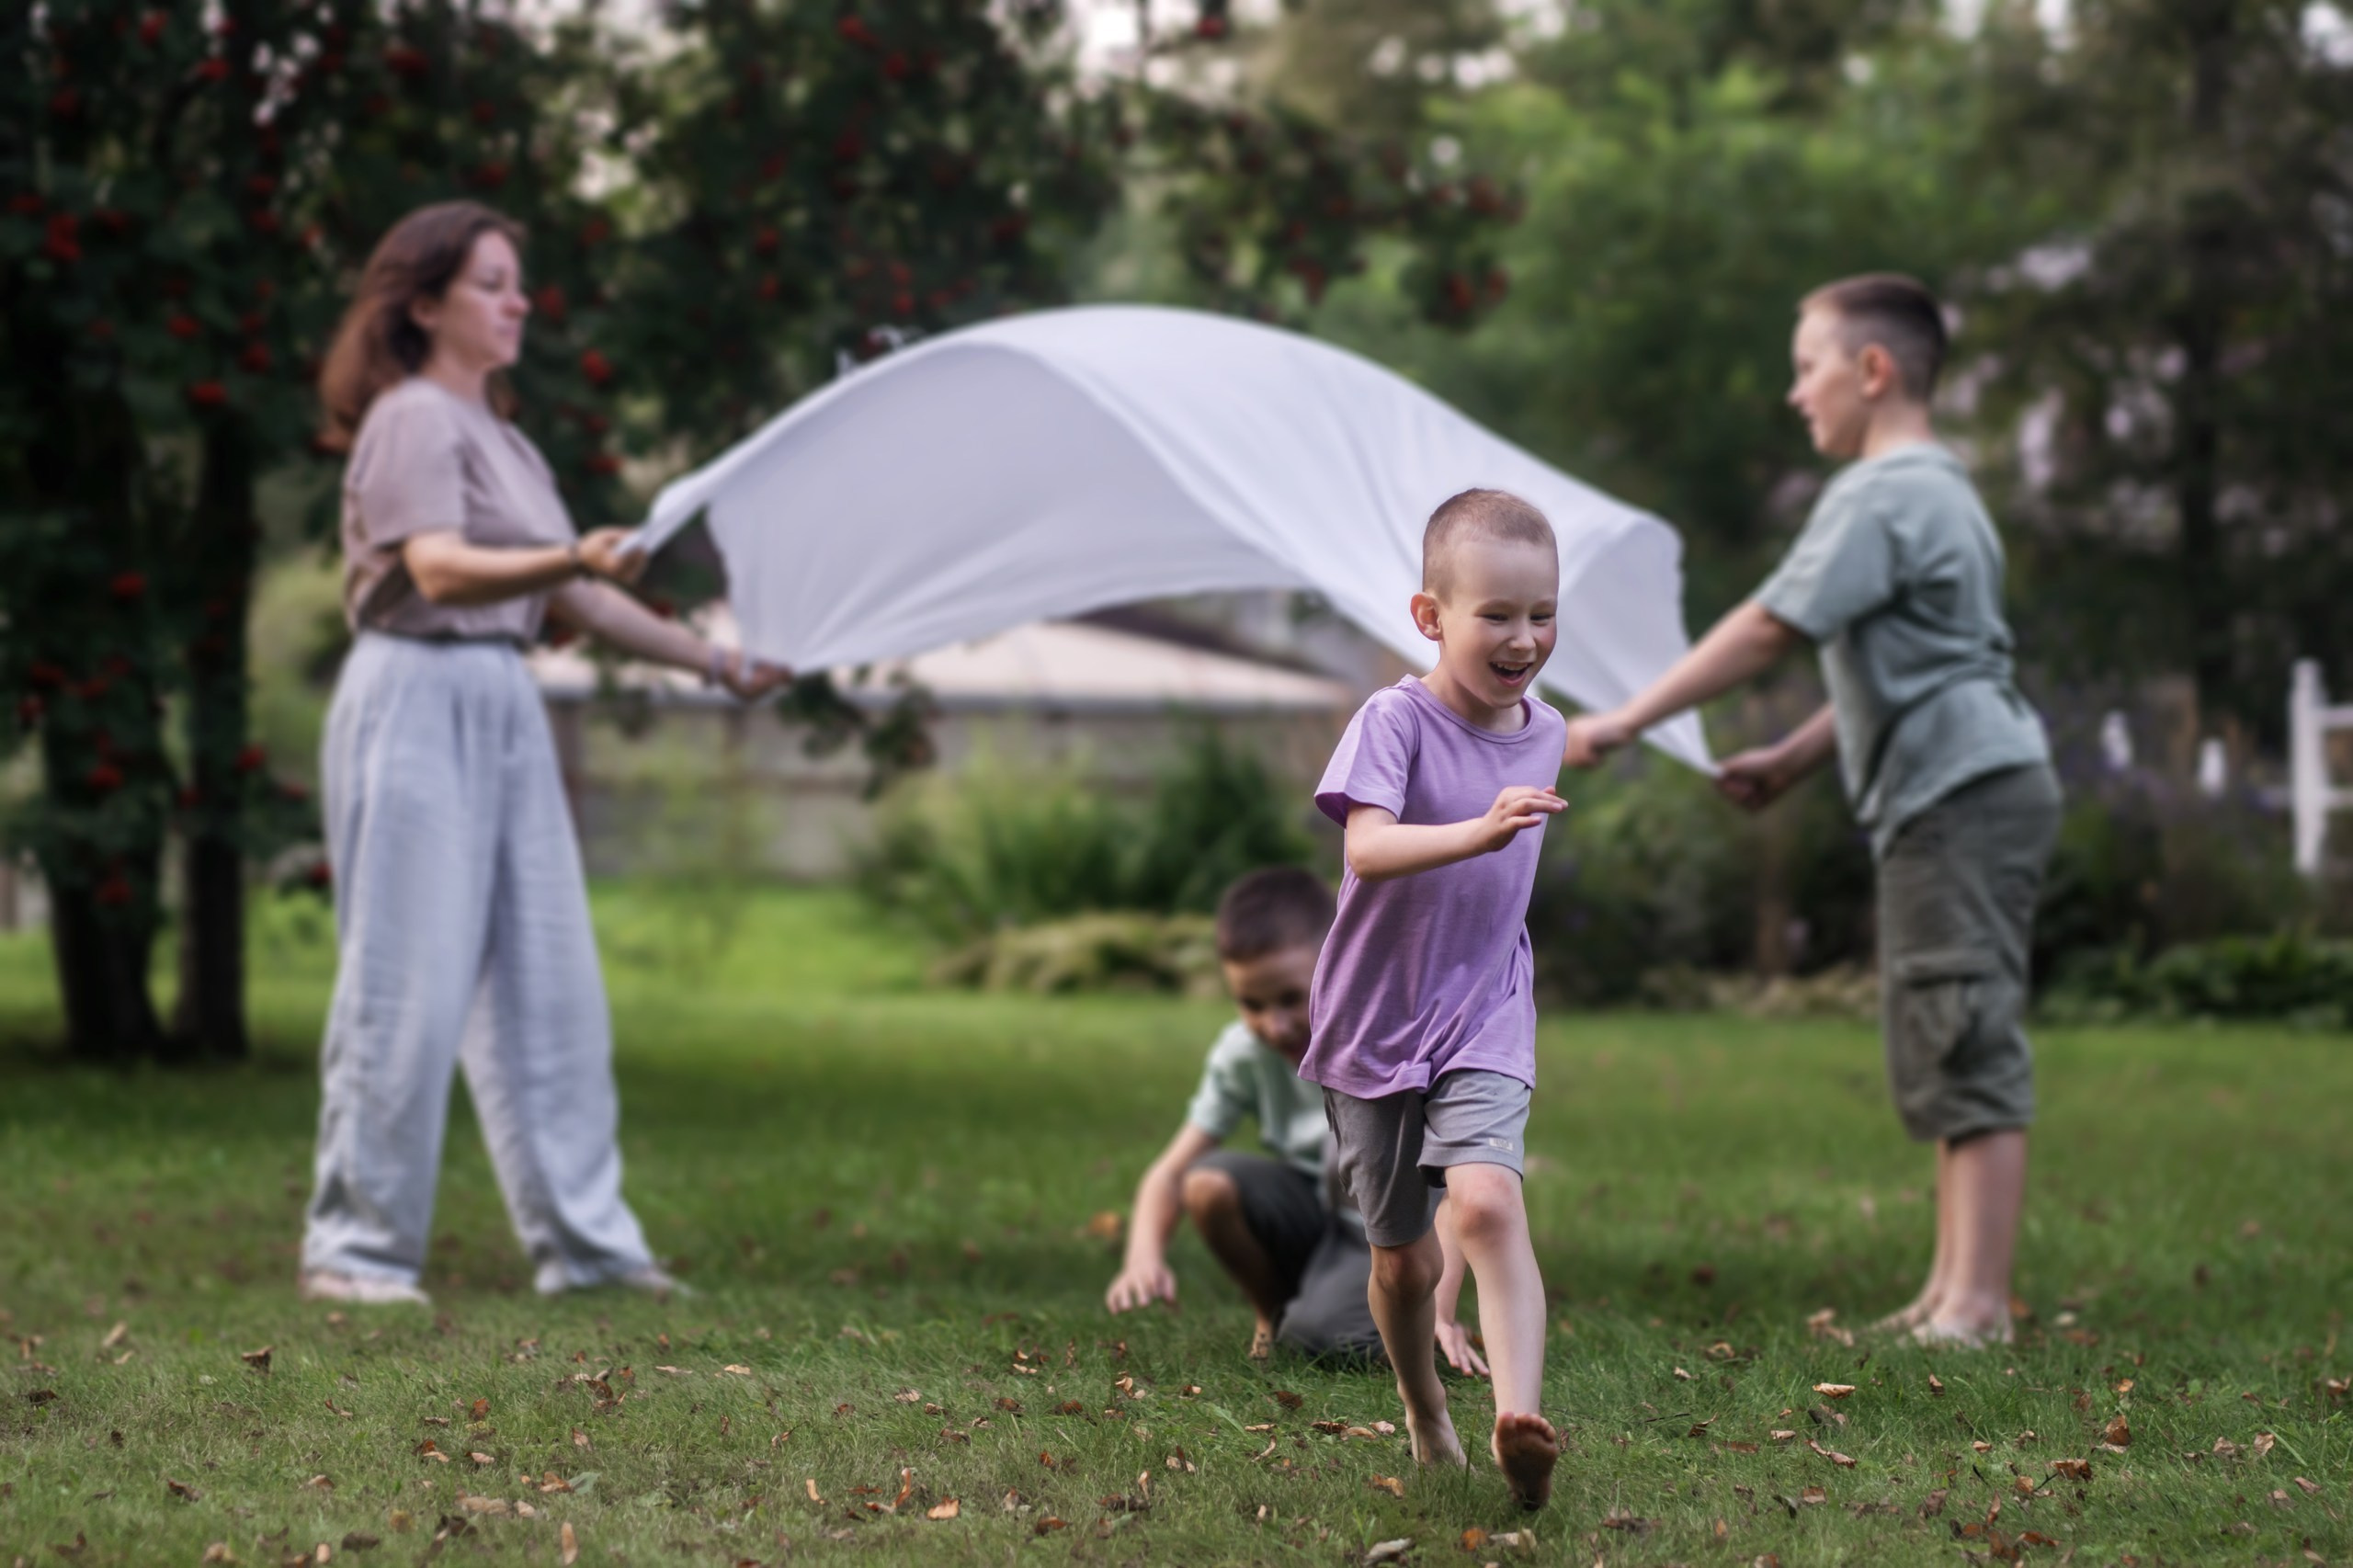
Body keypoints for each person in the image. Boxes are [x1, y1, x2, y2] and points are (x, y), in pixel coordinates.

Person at [297, 200, 790, 1306]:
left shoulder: (505, 439)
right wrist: (571, 551)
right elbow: (437, 570)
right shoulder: (412, 417)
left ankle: (588, 1248)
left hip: (501, 700)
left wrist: (717, 663)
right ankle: (356, 1249)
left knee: (550, 981)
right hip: (415, 693)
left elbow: (571, 592)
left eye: (518, 283)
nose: (519, 302)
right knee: (404, 980)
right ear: (423, 304)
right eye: (493, 282)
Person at [1562, 273, 2059, 1349]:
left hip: (1958, 791)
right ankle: (1948, 1290)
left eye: (1806, 367)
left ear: (1871, 370)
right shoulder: (1945, 490)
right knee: (1942, 1018)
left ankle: (1976, 1305)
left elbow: (1768, 626)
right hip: (1969, 781)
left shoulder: (1881, 493)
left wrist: (1625, 718)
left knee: (1962, 1022)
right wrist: (1792, 754)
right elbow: (1924, 661)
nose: (1797, 395)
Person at [1304, 488, 1569, 1509]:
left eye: (1541, 612)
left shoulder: (1545, 730)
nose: (1523, 637)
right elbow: (1366, 847)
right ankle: (1423, 1407)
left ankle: (1518, 1419)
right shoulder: (1391, 719)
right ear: (1431, 617)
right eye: (1496, 614)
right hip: (1375, 1016)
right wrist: (1479, 829)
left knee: (1490, 1197)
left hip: (1484, 1002)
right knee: (1405, 1265)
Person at [1104, 868, 1489, 1379]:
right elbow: (1170, 1173)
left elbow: (1452, 1190)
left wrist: (1440, 1308)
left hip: (1390, 1229)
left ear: (1340, 963)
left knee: (1327, 1341)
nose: (1273, 1024)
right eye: (1251, 1004)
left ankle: (1388, 1325)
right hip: (1316, 1208)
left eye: (1289, 998)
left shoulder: (1396, 1039)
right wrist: (1143, 1258)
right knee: (1208, 1184)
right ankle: (1275, 1313)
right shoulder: (1243, 1054)